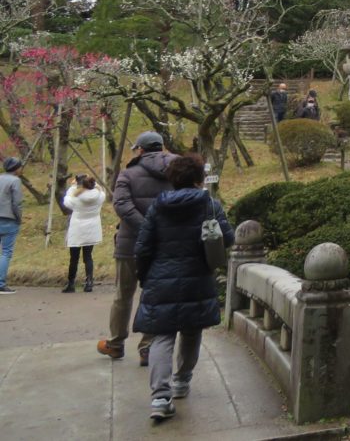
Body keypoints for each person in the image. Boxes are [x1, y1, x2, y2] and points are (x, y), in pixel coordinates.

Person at [134, 153, 233, 423]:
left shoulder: (157, 206)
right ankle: (181, 382)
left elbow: (143, 247)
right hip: (197, 279)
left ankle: (160, 398)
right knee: (191, 332)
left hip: (160, 280)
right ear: (199, 179)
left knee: (162, 337)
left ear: (172, 179)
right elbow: (228, 238)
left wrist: (144, 276)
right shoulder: (209, 205)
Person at [98, 131, 178, 363]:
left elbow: (122, 204)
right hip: (163, 244)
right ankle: (147, 348)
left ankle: (115, 344)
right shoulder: (176, 172)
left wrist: (145, 228)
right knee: (153, 295)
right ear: (161, 147)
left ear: (140, 150)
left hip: (130, 244)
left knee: (123, 295)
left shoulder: (128, 174)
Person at [62, 173, 106, 293]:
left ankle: (71, 284)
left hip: (77, 229)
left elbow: (66, 200)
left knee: (74, 258)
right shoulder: (100, 196)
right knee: (88, 256)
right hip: (92, 228)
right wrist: (94, 184)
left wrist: (72, 187)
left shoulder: (75, 199)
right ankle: (89, 283)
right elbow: (101, 190)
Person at [0, 156, 23, 294]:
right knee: (6, 252)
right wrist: (19, 218)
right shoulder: (15, 181)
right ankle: (1, 283)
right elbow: (16, 203)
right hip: (8, 219)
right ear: (16, 168)